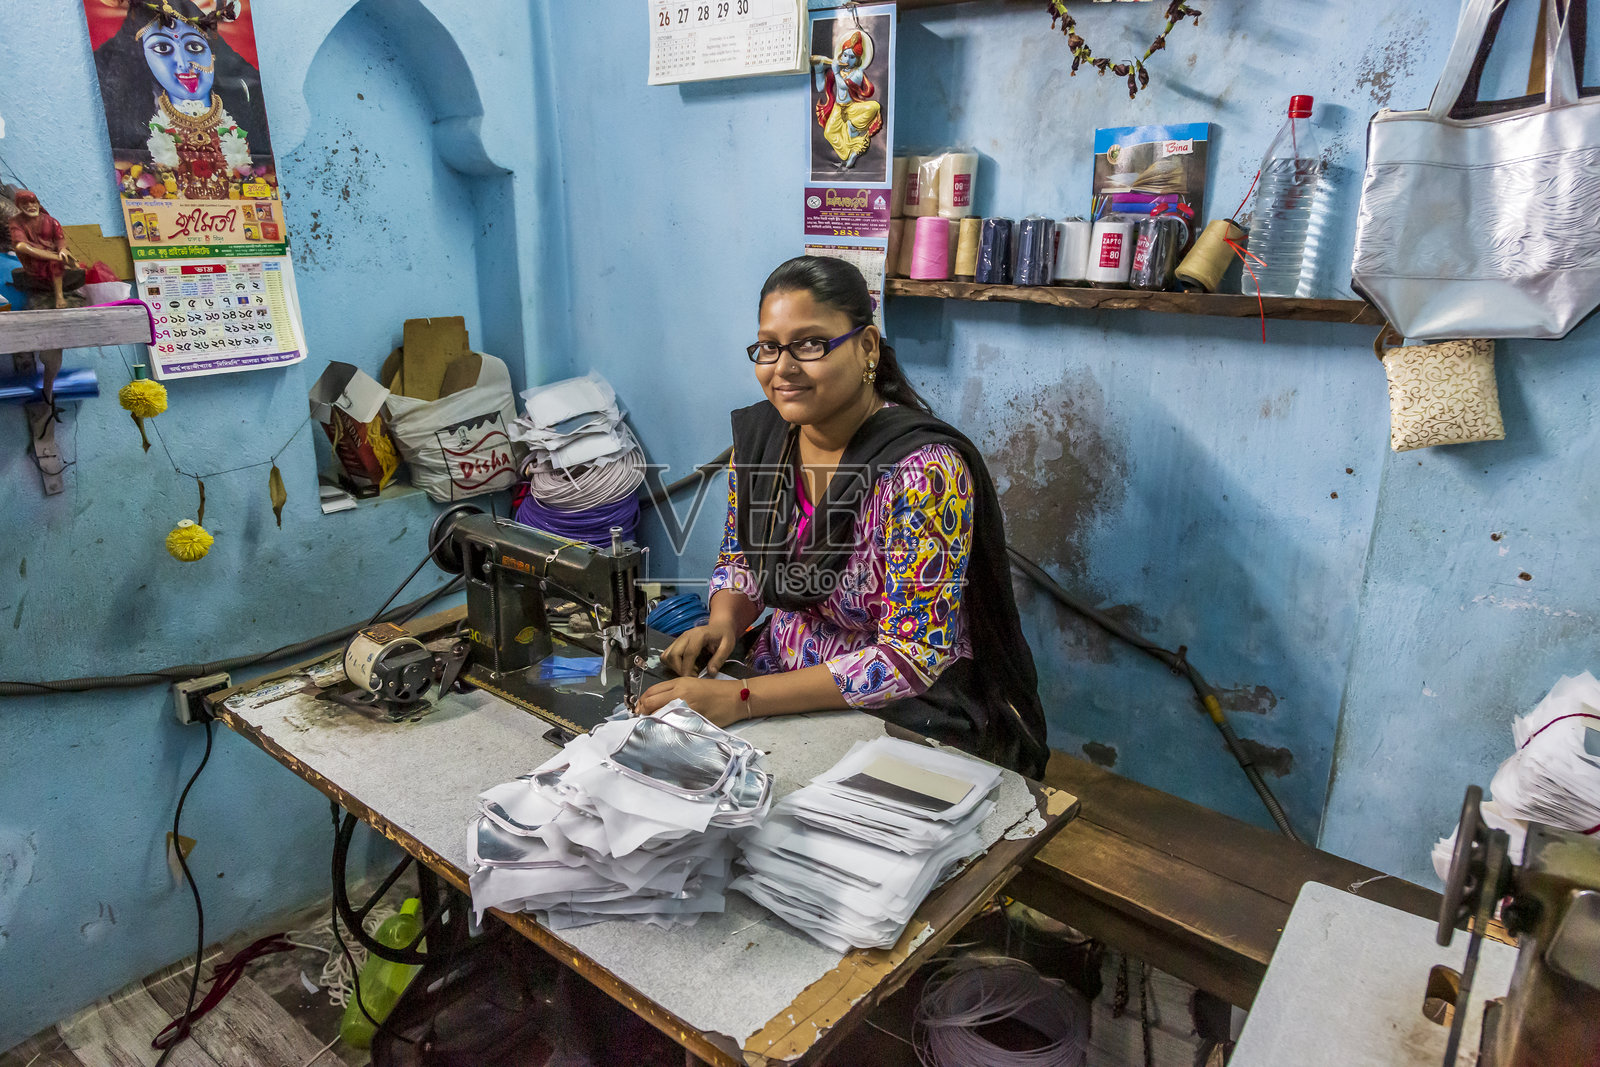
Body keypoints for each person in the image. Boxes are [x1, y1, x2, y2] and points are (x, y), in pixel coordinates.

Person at [638, 256, 1049, 777]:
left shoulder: (921, 471)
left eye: (810, 344)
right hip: (778, 670)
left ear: (867, 347)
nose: (783, 367)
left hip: (900, 707)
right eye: (769, 347)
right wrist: (723, 620)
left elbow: (910, 656)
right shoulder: (763, 443)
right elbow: (742, 559)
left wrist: (742, 698)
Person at [94, 0, 273, 200]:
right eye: (162, 48)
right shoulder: (134, 129)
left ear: (212, 53)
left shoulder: (250, 112)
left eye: (194, 46)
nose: (183, 63)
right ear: (143, 57)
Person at [811, 30, 881, 170]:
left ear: (858, 60)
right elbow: (820, 88)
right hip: (838, 107)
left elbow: (843, 86)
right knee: (829, 133)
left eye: (852, 57)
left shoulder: (857, 73)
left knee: (874, 106)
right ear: (840, 55)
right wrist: (819, 71)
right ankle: (850, 154)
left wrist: (836, 72)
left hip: (851, 107)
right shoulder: (836, 71)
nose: (847, 59)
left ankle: (853, 128)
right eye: (845, 55)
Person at [8, 192, 80, 309]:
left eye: (33, 202)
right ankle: (59, 294)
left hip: (51, 252)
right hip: (33, 258)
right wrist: (56, 256)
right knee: (23, 247)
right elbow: (20, 244)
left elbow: (60, 239)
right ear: (19, 206)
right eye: (25, 204)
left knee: (59, 260)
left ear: (38, 203)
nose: (30, 206)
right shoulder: (16, 222)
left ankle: (59, 295)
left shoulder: (51, 221)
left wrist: (62, 250)